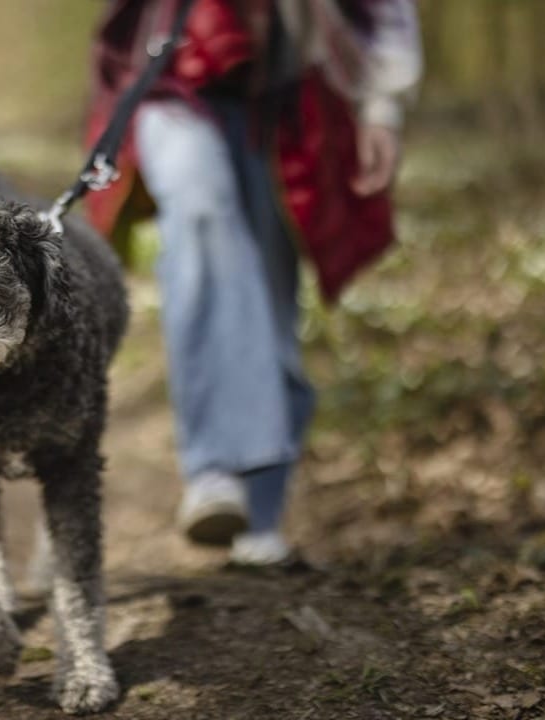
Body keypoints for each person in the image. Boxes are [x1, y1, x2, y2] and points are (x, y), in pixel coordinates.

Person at [83, 0, 423, 564]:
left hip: (289, 92)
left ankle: (260, 513)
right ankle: (214, 470)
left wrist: (381, 106)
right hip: (172, 81)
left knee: (267, 294)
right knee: (200, 219)